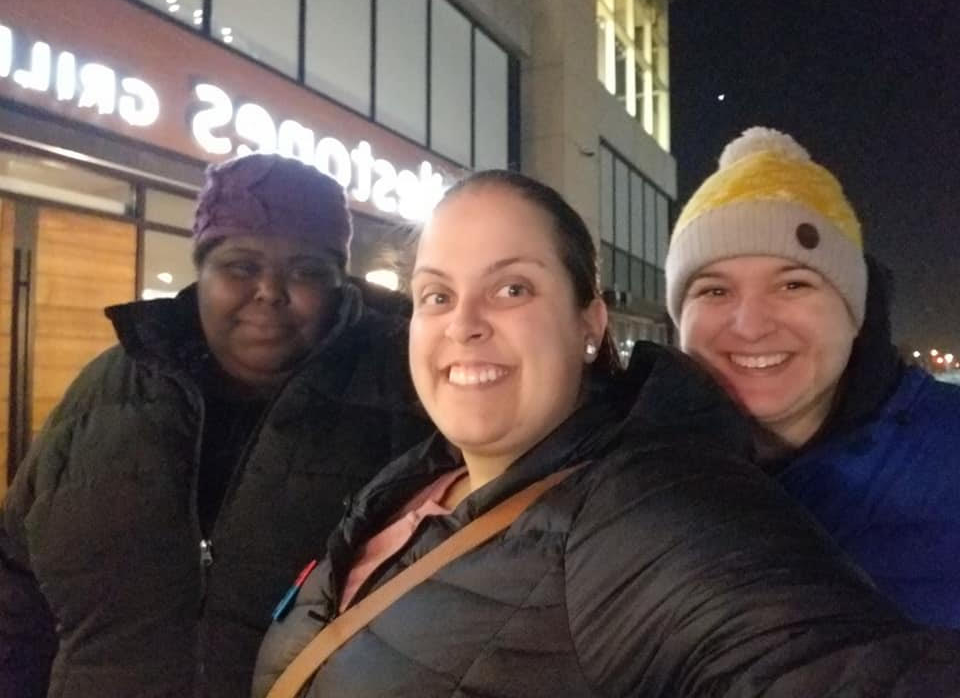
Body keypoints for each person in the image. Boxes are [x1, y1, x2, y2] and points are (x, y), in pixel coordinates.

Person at [253, 170, 960, 698]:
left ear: (590, 325)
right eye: (436, 294)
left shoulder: (645, 508)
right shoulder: (415, 471)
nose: (463, 321)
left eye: (512, 289)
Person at [0, 153, 432, 698]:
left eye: (306, 271)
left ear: (338, 284)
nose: (270, 291)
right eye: (240, 266)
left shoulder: (405, 403)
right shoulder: (105, 391)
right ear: (201, 271)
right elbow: (15, 586)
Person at [666, 126, 960, 629]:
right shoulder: (632, 474)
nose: (752, 325)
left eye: (793, 284)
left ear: (855, 312)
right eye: (715, 291)